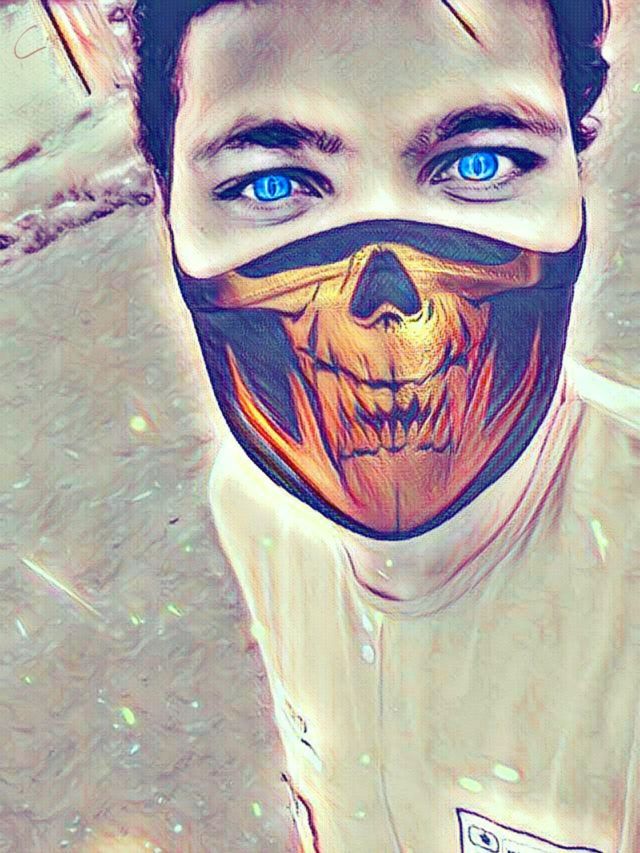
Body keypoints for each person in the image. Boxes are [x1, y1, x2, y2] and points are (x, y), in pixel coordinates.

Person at [132, 1, 640, 850]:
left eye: (481, 162)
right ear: (169, 212)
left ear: (577, 188)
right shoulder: (253, 505)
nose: (388, 299)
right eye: (270, 184)